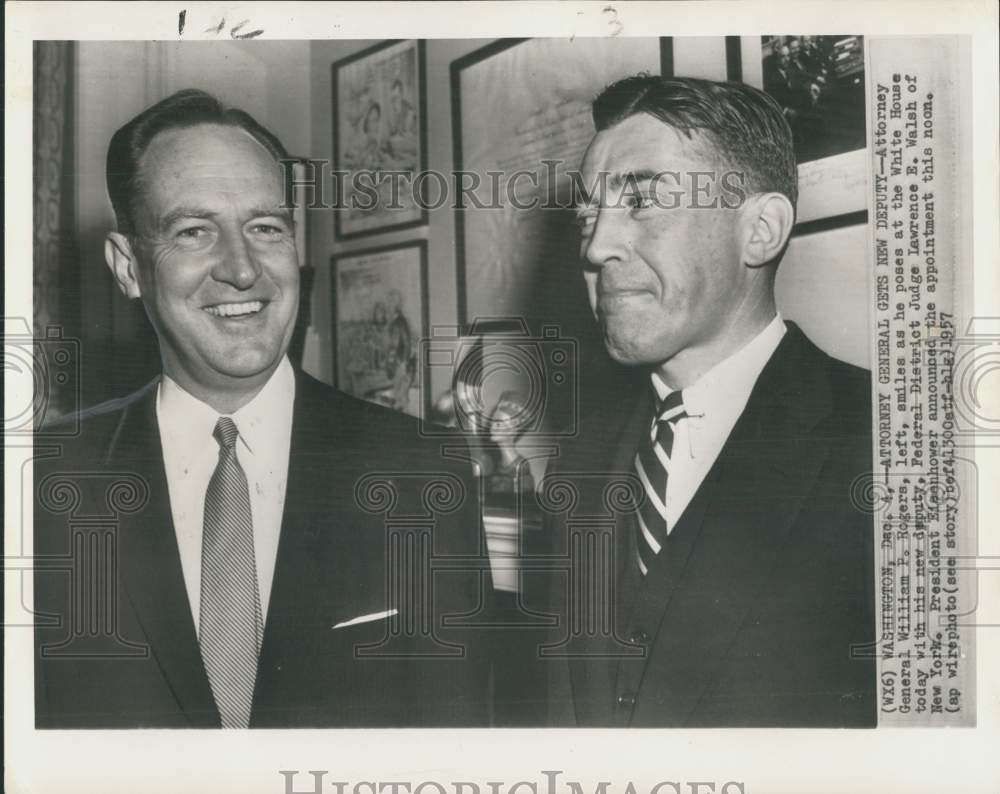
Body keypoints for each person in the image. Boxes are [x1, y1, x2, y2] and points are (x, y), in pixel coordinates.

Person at [33, 89, 489, 728]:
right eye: (194, 231)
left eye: (265, 227)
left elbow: (457, 744)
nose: (242, 269)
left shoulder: (420, 470)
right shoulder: (44, 481)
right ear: (128, 266)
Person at [525, 75, 875, 727]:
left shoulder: (885, 449)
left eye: (643, 202)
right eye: (587, 217)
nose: (597, 247)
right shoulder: (577, 462)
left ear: (761, 230)